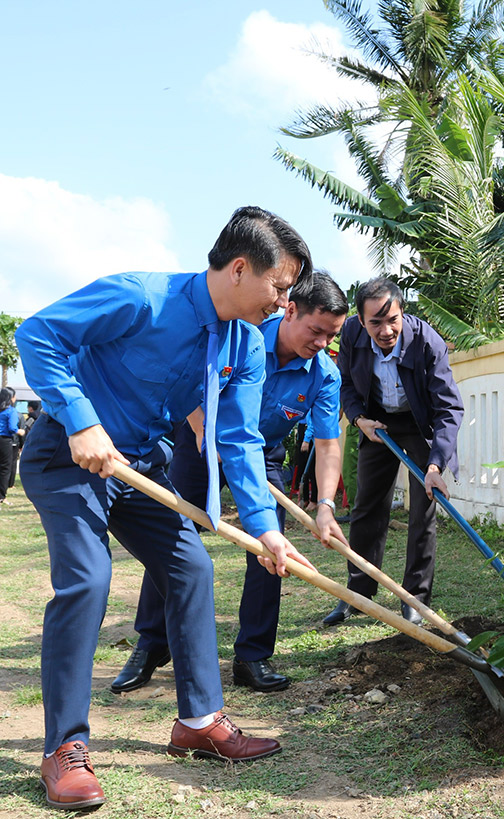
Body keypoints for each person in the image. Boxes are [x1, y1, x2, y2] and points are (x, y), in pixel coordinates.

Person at [16, 206, 319, 810]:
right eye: (280, 289)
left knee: (192, 567)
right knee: (88, 580)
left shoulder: (245, 346)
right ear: (240, 268)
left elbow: (237, 440)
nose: (284, 306)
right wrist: (81, 420)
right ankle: (62, 750)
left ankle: (199, 722)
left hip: (137, 469)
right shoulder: (142, 297)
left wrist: (264, 528)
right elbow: (38, 334)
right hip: (69, 456)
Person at [113, 272, 349, 695]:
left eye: (330, 336)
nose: (321, 343)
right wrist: (208, 433)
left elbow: (329, 444)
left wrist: (326, 505)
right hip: (200, 437)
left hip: (262, 455)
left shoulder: (324, 375)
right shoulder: (243, 331)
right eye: (316, 331)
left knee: (271, 549)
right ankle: (152, 643)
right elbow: (193, 382)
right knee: (170, 533)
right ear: (291, 309)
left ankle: (253, 656)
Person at [323, 277, 464, 627]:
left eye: (393, 320)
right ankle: (358, 593)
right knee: (366, 506)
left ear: (403, 312)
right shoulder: (352, 335)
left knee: (423, 510)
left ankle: (415, 598)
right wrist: (358, 418)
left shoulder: (428, 343)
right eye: (376, 322)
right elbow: (346, 385)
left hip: (420, 426)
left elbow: (449, 409)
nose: (386, 330)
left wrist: (435, 465)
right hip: (377, 424)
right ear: (360, 319)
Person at [0, 387, 17, 503]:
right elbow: (12, 428)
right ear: (11, 398)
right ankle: (1, 496)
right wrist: (20, 431)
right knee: (5, 468)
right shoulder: (11, 411)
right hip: (5, 441)